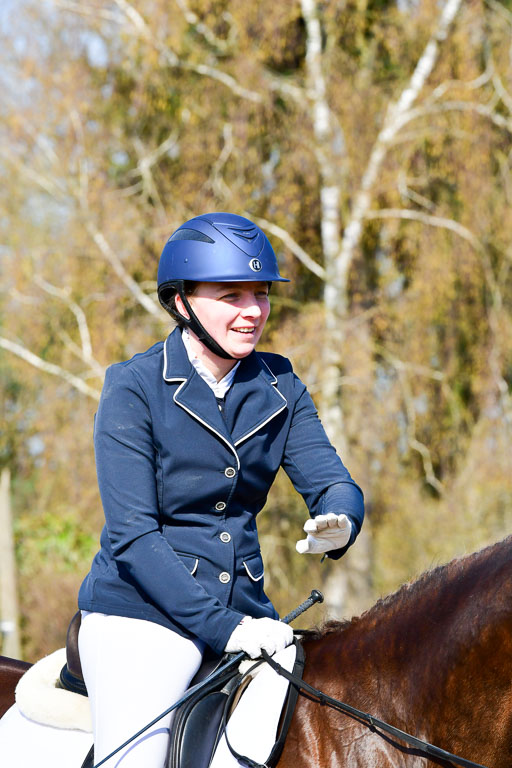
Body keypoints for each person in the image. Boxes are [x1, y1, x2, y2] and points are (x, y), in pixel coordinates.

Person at [77, 212, 364, 767]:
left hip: (250, 612)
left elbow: (333, 481)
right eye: (232, 295)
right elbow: (135, 537)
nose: (253, 311)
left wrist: (340, 520)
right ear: (182, 302)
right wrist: (225, 628)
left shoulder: (282, 385)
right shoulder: (133, 387)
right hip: (142, 615)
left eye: (260, 294)